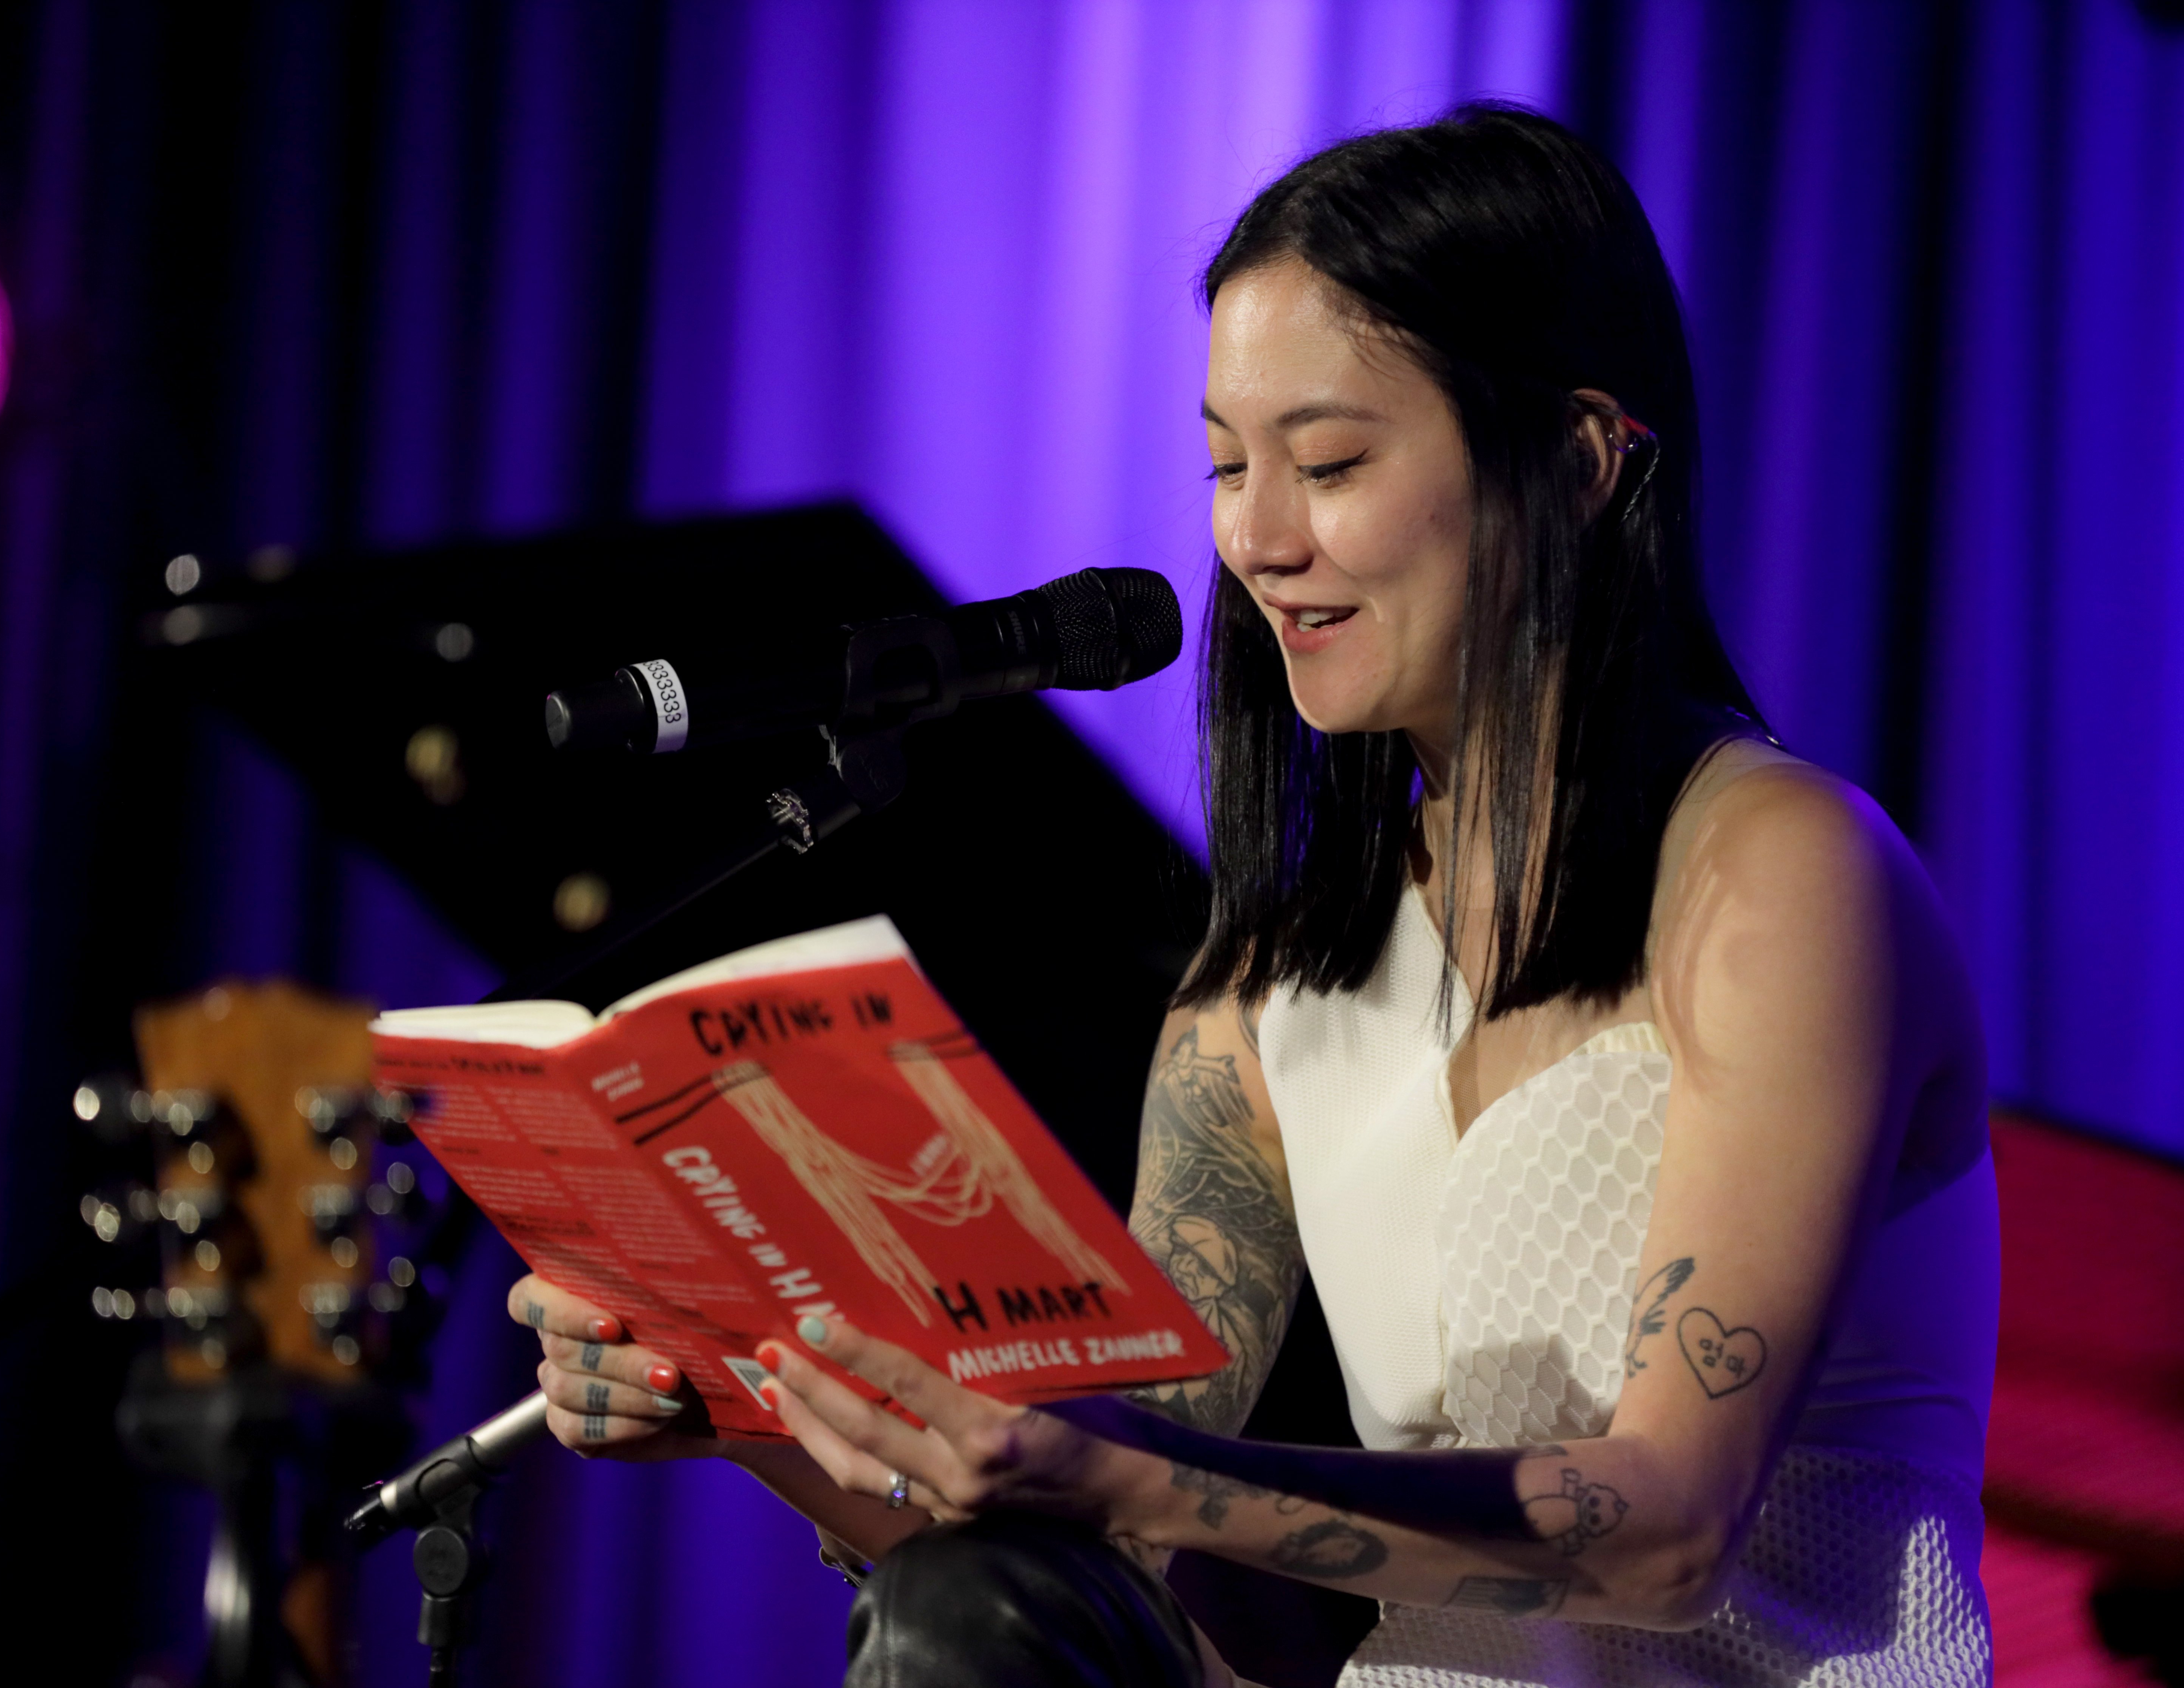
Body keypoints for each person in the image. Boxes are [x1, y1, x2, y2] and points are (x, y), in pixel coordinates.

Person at [504, 103, 1999, 1687]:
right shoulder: (1266, 997)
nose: (1260, 540)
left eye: (1333, 463)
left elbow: (1671, 1528)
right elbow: (1096, 1540)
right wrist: (744, 1407)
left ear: (1574, 463)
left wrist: (1120, 1471)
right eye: (1227, 465)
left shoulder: (1780, 876)